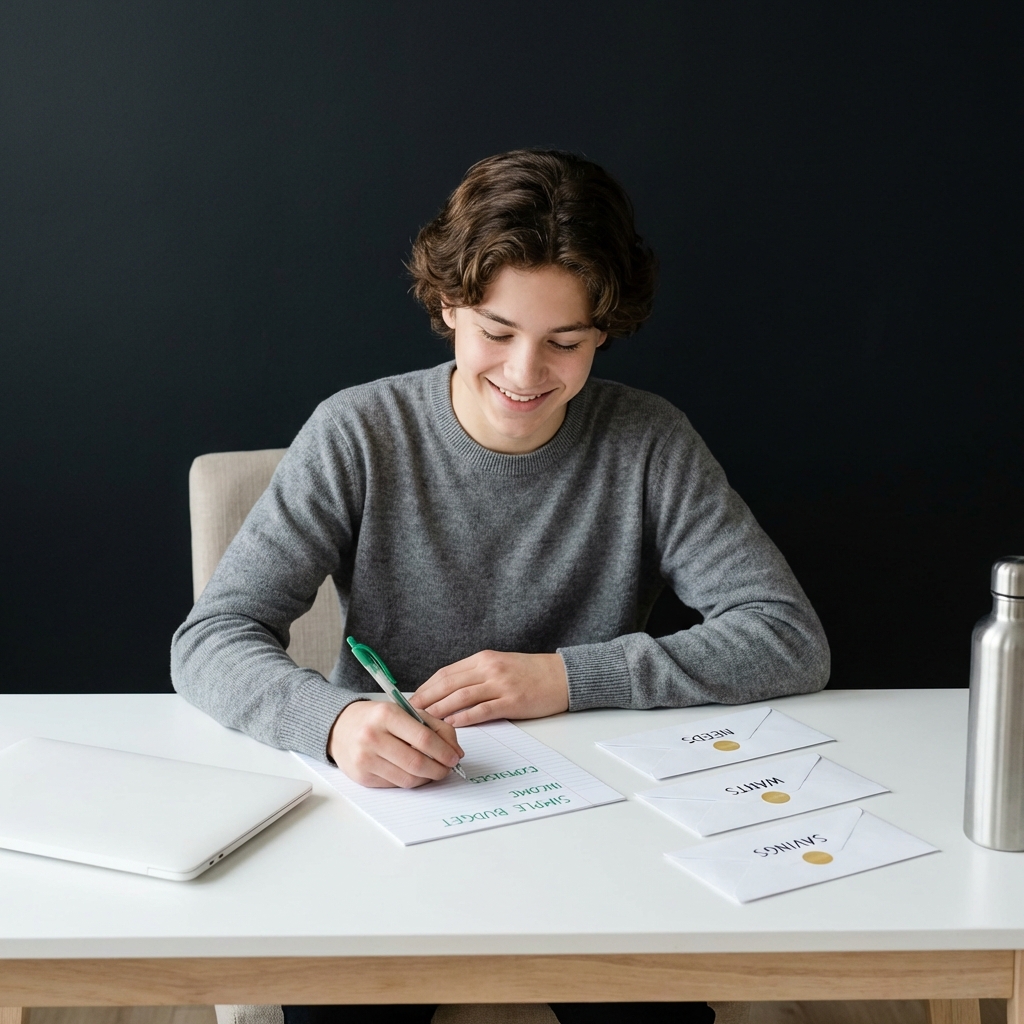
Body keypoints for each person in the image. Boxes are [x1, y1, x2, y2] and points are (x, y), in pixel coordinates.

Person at [171, 149, 830, 1024]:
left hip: (594, 824)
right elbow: (210, 638)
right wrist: (331, 722)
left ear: (605, 330)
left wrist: (567, 677)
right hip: (386, 812)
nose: (526, 375)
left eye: (566, 343)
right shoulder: (358, 432)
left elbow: (788, 637)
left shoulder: (648, 440)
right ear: (448, 306)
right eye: (496, 331)